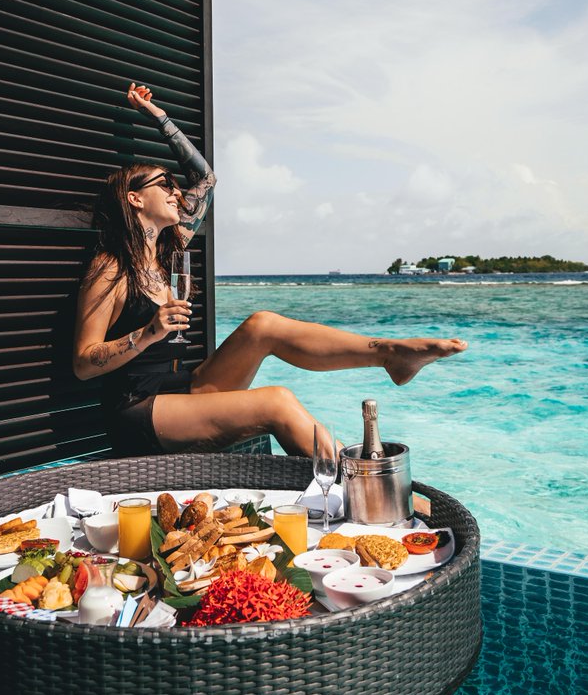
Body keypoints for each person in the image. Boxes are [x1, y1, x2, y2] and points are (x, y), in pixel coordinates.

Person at [73, 83, 467, 458]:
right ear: (134, 199)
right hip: (139, 409)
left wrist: (158, 115)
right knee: (276, 400)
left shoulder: (168, 252)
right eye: (165, 185)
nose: (177, 192)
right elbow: (84, 363)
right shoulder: (111, 268)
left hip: (183, 389)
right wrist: (146, 333)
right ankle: (363, 480)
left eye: (176, 185)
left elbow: (206, 179)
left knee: (263, 324)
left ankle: (389, 353)